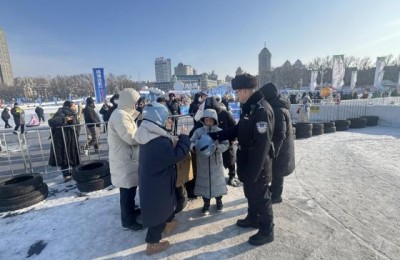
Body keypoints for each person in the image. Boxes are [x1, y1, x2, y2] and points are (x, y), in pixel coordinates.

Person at [208, 73, 275, 246]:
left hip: (257, 164)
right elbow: (238, 129)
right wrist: (217, 135)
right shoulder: (250, 108)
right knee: (250, 194)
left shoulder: (261, 110)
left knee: (261, 197)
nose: (236, 95)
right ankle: (253, 218)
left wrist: (254, 171)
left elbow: (262, 145)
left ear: (245, 91)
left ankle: (267, 231)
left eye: (238, 92)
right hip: (246, 161)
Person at [135, 102, 190, 255]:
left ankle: (169, 222)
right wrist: (184, 138)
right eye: (167, 119)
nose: (170, 121)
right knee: (158, 212)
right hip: (157, 183)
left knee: (166, 204)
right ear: (158, 120)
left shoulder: (149, 134)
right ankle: (152, 244)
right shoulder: (157, 142)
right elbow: (176, 156)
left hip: (155, 180)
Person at [108, 88, 143, 232]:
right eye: (136, 102)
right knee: (127, 191)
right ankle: (127, 221)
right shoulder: (120, 116)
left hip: (128, 158)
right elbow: (131, 137)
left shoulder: (123, 114)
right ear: (129, 101)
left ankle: (131, 212)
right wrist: (145, 134)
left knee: (130, 189)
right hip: (124, 160)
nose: (137, 105)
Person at [190, 96, 239, 187]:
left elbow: (234, 126)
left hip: (226, 140)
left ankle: (231, 176)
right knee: (215, 165)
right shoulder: (203, 116)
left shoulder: (225, 114)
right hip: (209, 144)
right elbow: (195, 130)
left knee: (230, 160)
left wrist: (233, 140)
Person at [260, 83, 295, 204]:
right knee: (276, 171)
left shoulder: (278, 110)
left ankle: (277, 195)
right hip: (282, 146)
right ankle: (274, 190)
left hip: (281, 148)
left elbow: (280, 134)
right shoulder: (277, 106)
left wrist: (274, 152)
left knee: (278, 171)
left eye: (263, 96)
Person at [190, 109, 229, 215]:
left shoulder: (220, 131)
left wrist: (218, 148)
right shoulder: (198, 131)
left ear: (215, 120)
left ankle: (219, 202)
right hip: (202, 163)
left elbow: (226, 144)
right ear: (203, 120)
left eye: (211, 120)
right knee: (204, 184)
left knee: (217, 183)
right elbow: (191, 141)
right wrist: (194, 147)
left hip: (216, 163)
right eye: (206, 120)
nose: (208, 122)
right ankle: (206, 204)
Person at [48, 101, 80, 182]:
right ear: (69, 106)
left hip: (71, 138)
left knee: (74, 156)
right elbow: (51, 122)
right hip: (63, 139)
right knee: (64, 157)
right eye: (73, 106)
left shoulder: (72, 113)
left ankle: (76, 172)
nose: (75, 107)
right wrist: (64, 119)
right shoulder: (61, 112)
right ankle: (66, 175)